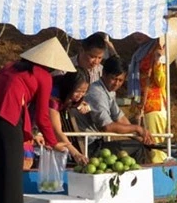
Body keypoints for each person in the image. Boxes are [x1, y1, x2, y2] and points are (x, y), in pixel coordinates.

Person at [0, 37, 76, 203]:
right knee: (13, 171)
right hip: (6, 120)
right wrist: (53, 143)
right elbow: (42, 115)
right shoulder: (44, 76)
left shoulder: (10, 66)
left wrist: (34, 135)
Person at [71, 56, 154, 164]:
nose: (116, 83)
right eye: (113, 79)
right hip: (89, 147)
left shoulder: (109, 91)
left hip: (98, 143)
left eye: (120, 80)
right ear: (104, 74)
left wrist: (139, 137)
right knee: (138, 148)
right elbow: (107, 127)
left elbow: (120, 118)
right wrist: (137, 128)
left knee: (139, 144)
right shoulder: (97, 93)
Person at [128, 33, 168, 163]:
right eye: (135, 32)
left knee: (155, 146)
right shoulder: (141, 51)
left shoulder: (158, 48)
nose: (137, 35)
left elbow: (161, 81)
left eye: (141, 32)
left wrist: (157, 62)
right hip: (141, 104)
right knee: (143, 146)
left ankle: (160, 174)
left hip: (153, 104)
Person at [49, 70, 92, 166]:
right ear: (69, 87)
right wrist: (75, 153)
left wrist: (79, 104)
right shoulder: (54, 96)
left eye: (84, 92)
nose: (80, 95)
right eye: (78, 91)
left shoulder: (71, 96)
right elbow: (57, 130)